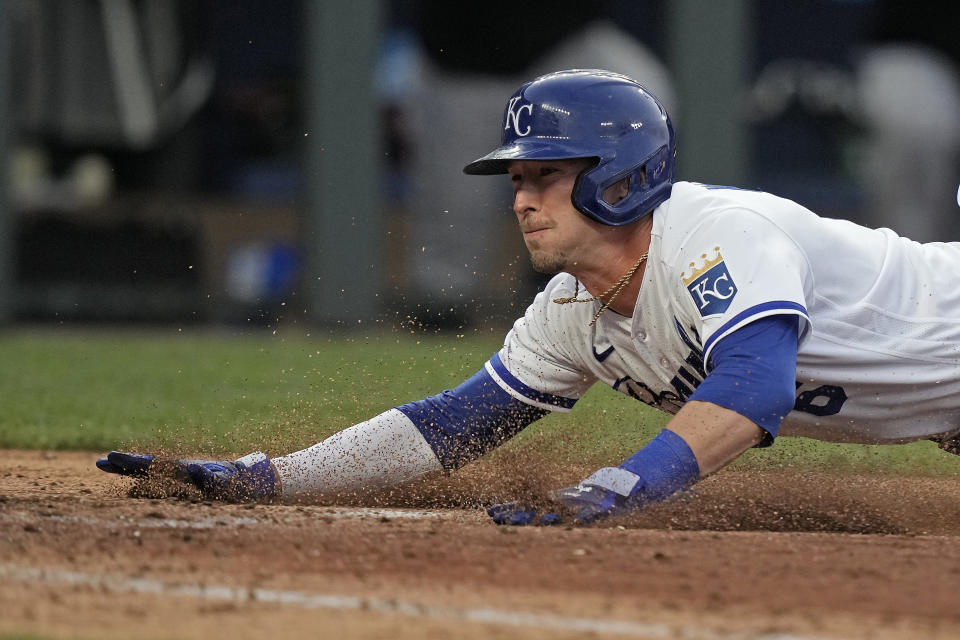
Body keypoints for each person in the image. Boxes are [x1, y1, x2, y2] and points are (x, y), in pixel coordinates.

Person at [98, 70, 960, 526]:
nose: (521, 197)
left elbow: (756, 386)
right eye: (517, 177)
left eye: (546, 174)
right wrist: (271, 479)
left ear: (621, 179)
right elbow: (449, 427)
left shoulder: (716, 236)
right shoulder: (571, 313)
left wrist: (627, 485)